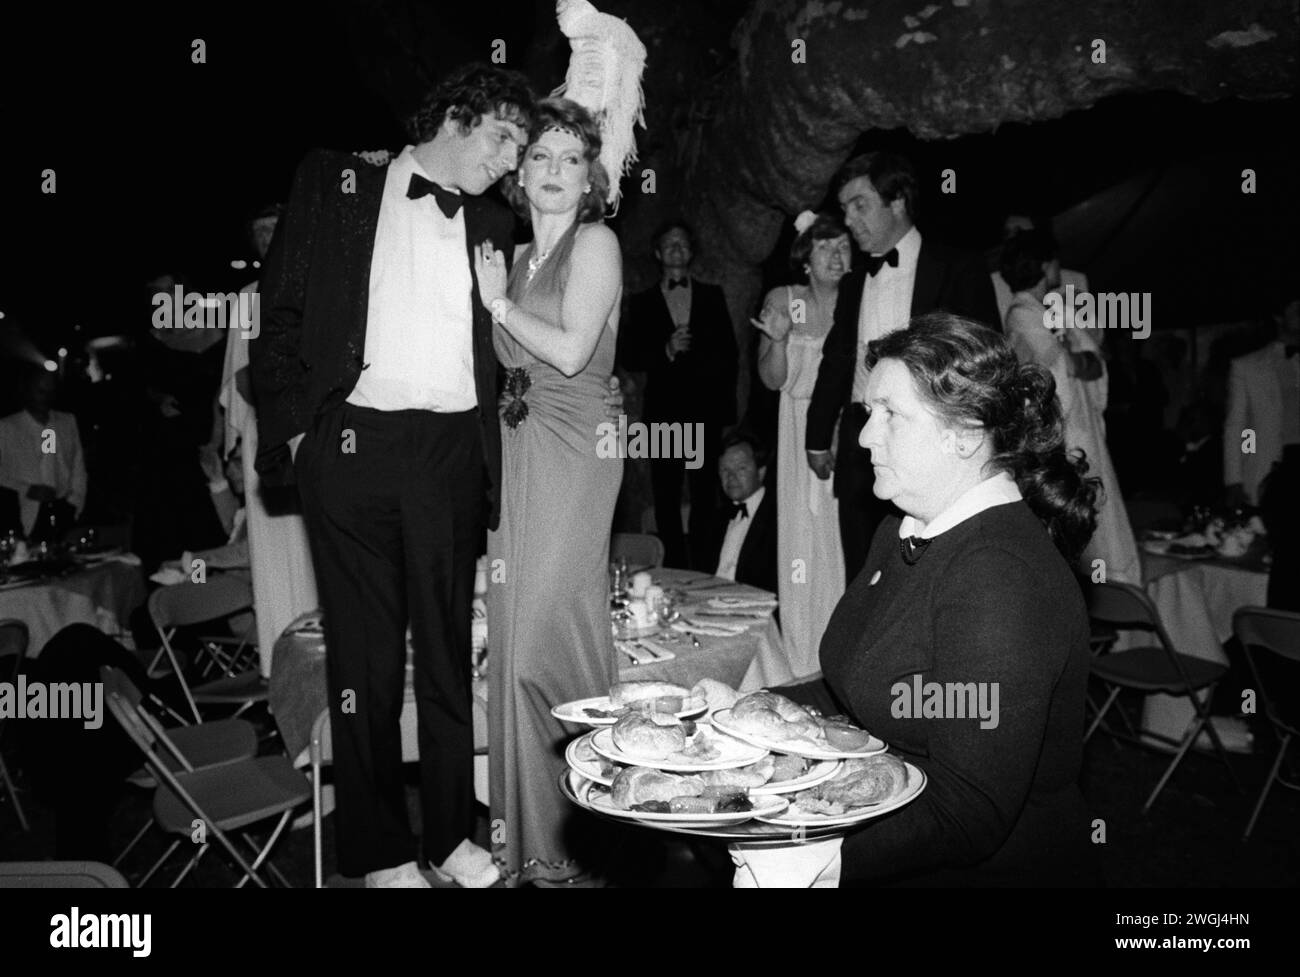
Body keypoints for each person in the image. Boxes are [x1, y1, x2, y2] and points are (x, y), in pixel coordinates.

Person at [250, 63, 535, 889]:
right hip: (351, 446)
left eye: (520, 145)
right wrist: (298, 437)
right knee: (365, 663)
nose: (512, 159)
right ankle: (377, 852)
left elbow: (504, 350)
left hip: (450, 453)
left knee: (447, 657)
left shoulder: (493, 220)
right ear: (455, 115)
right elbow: (282, 313)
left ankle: (451, 835)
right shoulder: (337, 180)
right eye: (504, 136)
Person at [731, 313, 1100, 886]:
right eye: (867, 412)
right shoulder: (903, 531)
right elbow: (854, 685)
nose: (863, 436)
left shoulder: (1000, 577)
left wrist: (819, 864)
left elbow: (968, 811)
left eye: (890, 416)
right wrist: (743, 709)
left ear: (966, 434)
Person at [472, 97, 625, 886]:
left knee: (545, 642)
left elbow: (568, 352)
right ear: (520, 172)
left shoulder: (596, 242)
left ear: (591, 176)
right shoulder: (515, 252)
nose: (556, 171)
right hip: (519, 447)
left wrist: (495, 301)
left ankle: (589, 838)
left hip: (577, 445)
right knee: (510, 645)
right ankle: (529, 850)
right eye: (541, 156)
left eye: (571, 158)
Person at [805, 152, 998, 583]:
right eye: (845, 209)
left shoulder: (958, 267)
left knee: (931, 568)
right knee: (861, 569)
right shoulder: (855, 280)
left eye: (860, 205)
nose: (849, 220)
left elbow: (986, 363)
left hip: (931, 441)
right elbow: (837, 359)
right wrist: (817, 436)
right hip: (859, 439)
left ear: (898, 202)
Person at [1000, 229, 1141, 585]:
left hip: (1080, 423)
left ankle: (1114, 588)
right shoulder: (1022, 313)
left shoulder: (1048, 310)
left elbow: (1093, 359)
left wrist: (1083, 356)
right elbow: (1063, 367)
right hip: (1064, 430)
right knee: (1081, 511)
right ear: (1044, 265)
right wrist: (1081, 358)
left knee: (1099, 508)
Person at [219, 203, 319, 677]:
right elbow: (239, 384)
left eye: (274, 228)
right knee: (280, 569)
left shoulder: (322, 286)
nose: (267, 238)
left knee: (324, 557)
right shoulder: (249, 300)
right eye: (258, 231)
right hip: (272, 446)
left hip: (323, 439)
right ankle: (283, 675)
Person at [753, 211, 849, 676]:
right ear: (805, 257)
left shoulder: (860, 300)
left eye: (845, 246)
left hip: (849, 432)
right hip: (795, 431)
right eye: (827, 246)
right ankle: (803, 659)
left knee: (841, 541)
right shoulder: (785, 299)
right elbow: (772, 381)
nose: (838, 255)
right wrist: (777, 342)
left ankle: (844, 656)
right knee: (801, 542)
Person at [618, 221, 739, 569]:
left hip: (703, 414)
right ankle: (670, 571)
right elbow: (629, 356)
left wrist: (723, 412)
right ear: (658, 253)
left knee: (705, 495)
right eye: (669, 244)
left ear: (691, 252)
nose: (676, 250)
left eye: (682, 244)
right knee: (666, 497)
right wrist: (666, 351)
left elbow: (729, 353)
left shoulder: (712, 295)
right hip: (663, 414)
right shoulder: (641, 302)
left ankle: (704, 568)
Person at [1223, 297, 1300, 508]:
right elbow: (1241, 428)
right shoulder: (1247, 366)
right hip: (1273, 467)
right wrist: (1236, 478)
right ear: (1279, 318)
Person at [0, 366, 86, 540]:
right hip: (24, 512)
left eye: (50, 392)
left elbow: (77, 467)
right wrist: (26, 489)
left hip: (61, 509)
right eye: (40, 391)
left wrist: (74, 503)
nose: (46, 398)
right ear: (26, 391)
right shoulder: (7, 427)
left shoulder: (66, 422)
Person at [710, 430, 777, 593]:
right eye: (725, 470)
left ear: (761, 472)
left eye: (741, 468)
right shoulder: (716, 519)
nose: (731, 477)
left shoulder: (778, 519)